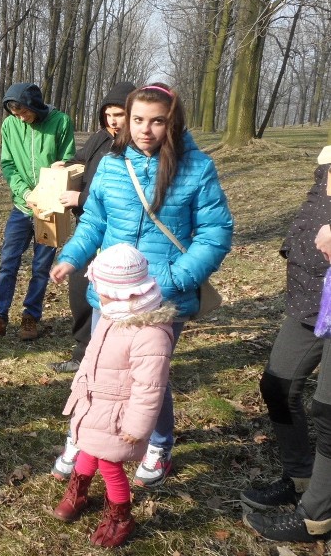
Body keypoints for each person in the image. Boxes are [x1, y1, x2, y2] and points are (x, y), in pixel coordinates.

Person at [49, 83, 233, 488]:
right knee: (98, 370)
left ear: (173, 122)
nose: (145, 130)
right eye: (137, 120)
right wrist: (71, 257)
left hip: (161, 297)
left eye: (157, 121)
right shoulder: (113, 165)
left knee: (148, 377)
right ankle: (82, 437)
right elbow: (95, 221)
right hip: (109, 292)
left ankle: (159, 445)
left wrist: (170, 279)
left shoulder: (195, 168)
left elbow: (215, 234)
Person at [53, 243, 175, 548]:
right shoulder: (113, 315)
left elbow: (150, 388)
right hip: (95, 403)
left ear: (121, 291)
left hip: (118, 414)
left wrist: (137, 427)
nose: (97, 293)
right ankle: (78, 490)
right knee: (85, 448)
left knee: (109, 465)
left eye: (100, 288)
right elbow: (93, 356)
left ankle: (120, 515)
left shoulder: (149, 334)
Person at [242, 161, 331, 542]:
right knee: (278, 385)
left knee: (327, 412)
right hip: (311, 302)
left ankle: (318, 515)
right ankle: (300, 477)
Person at [0, 82, 75, 341]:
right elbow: (8, 164)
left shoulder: (60, 122)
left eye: (24, 112)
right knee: (8, 261)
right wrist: (26, 193)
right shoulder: (10, 126)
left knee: (40, 265)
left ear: (35, 106)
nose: (20, 117)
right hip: (22, 206)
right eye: (15, 113)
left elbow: (70, 159)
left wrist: (64, 168)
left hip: (49, 209)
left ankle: (30, 317)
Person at [51, 81, 135, 373]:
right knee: (80, 287)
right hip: (89, 224)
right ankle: (84, 351)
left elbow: (125, 194)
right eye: (109, 114)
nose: (113, 120)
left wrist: (81, 197)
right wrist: (66, 165)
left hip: (120, 234)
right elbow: (82, 161)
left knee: (112, 297)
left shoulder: (136, 147)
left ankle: (111, 358)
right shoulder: (101, 138)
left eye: (120, 114)